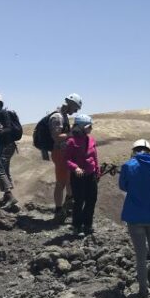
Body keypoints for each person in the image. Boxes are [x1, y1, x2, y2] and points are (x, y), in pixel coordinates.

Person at [119, 139, 150, 298]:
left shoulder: (127, 166)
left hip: (134, 217)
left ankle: (143, 291)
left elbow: (123, 186)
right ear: (148, 150)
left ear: (134, 150)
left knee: (140, 256)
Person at [49, 94, 82, 223]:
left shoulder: (63, 116)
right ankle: (58, 210)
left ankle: (67, 206)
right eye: (76, 108)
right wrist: (72, 134)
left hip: (65, 153)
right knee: (61, 183)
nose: (76, 111)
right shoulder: (57, 117)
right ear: (71, 104)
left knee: (68, 181)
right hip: (60, 153)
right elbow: (56, 137)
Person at [64, 113, 99, 235]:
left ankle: (87, 225)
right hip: (78, 177)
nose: (91, 129)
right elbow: (67, 160)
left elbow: (95, 157)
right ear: (83, 127)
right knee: (79, 201)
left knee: (91, 200)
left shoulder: (91, 140)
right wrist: (75, 168)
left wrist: (97, 172)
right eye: (89, 126)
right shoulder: (71, 141)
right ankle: (77, 226)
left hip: (91, 175)